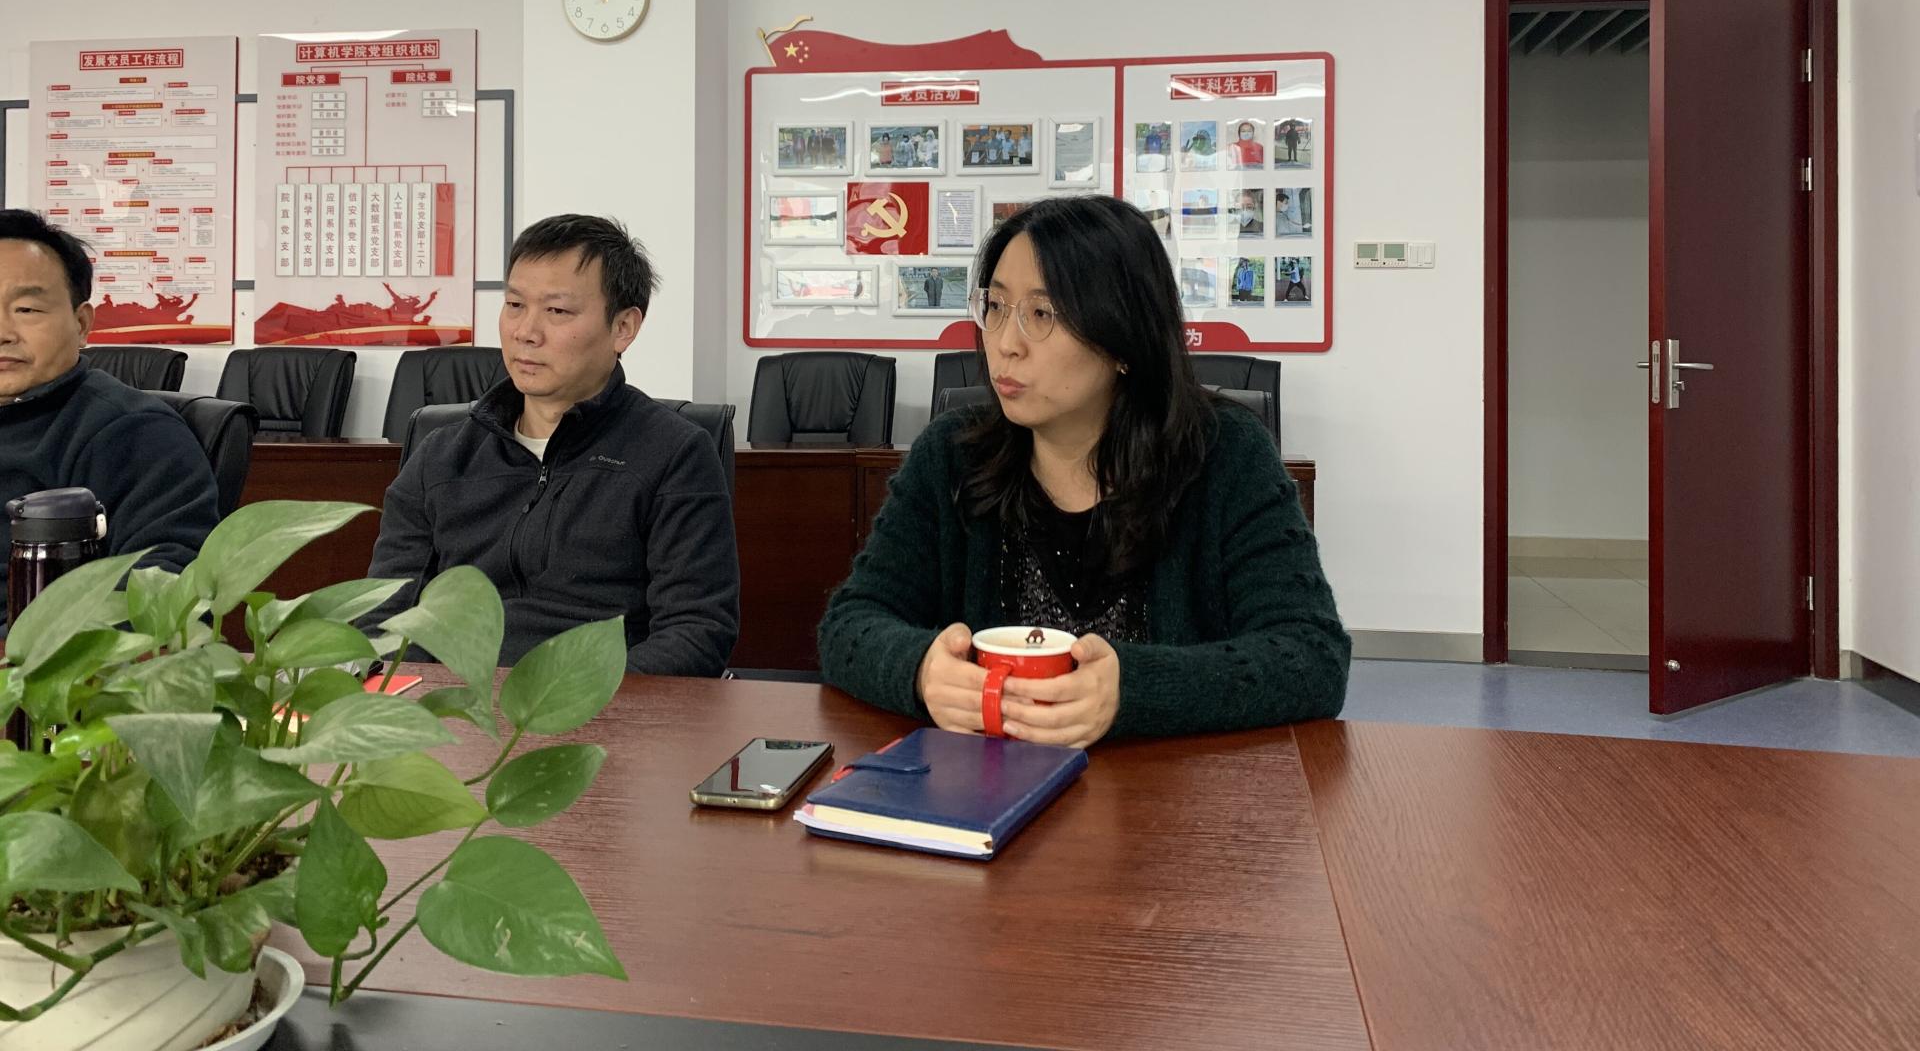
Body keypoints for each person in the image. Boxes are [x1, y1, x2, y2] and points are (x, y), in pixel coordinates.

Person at [818, 196, 1347, 746]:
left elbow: (1312, 656)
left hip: (1171, 790)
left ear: (1123, 339)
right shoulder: (951, 454)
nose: (1004, 344)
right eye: (995, 306)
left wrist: (1133, 690)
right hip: (985, 786)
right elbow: (849, 624)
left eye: (1041, 314)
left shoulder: (1227, 455)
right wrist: (921, 670)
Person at [368, 214, 739, 674]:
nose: (526, 332)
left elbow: (696, 632)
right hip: (453, 703)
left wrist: (568, 701)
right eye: (515, 305)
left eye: (557, 311)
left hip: (595, 705)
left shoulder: (674, 453)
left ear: (623, 327)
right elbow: (383, 614)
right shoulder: (441, 456)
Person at [0, 210, 217, 588]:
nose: (3, 332)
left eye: (26, 309)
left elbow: (165, 586)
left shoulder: (135, 433)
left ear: (82, 323)